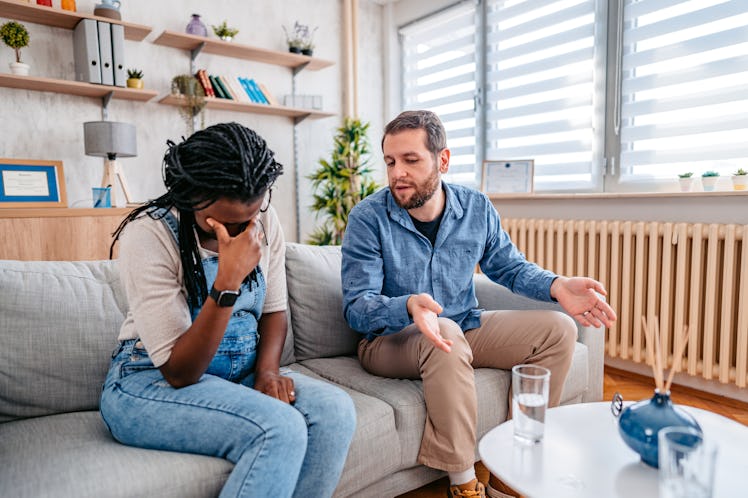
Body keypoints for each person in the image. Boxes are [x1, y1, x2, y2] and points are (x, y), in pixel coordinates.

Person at [341, 110, 616, 498]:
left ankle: (511, 473)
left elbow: (509, 268)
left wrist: (557, 286)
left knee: (559, 330)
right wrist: (406, 306)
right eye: (390, 161)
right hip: (388, 340)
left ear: (443, 160)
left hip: (462, 325)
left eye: (410, 160)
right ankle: (465, 487)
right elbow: (357, 307)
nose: (397, 173)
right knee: (447, 332)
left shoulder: (476, 208)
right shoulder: (368, 218)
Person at [100, 122, 356, 498]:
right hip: (148, 380)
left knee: (336, 412)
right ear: (191, 197)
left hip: (237, 375)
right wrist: (227, 283)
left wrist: (267, 372)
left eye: (249, 219)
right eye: (226, 223)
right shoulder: (150, 234)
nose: (241, 233)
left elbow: (273, 309)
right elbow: (180, 371)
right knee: (279, 427)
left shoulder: (265, 220)